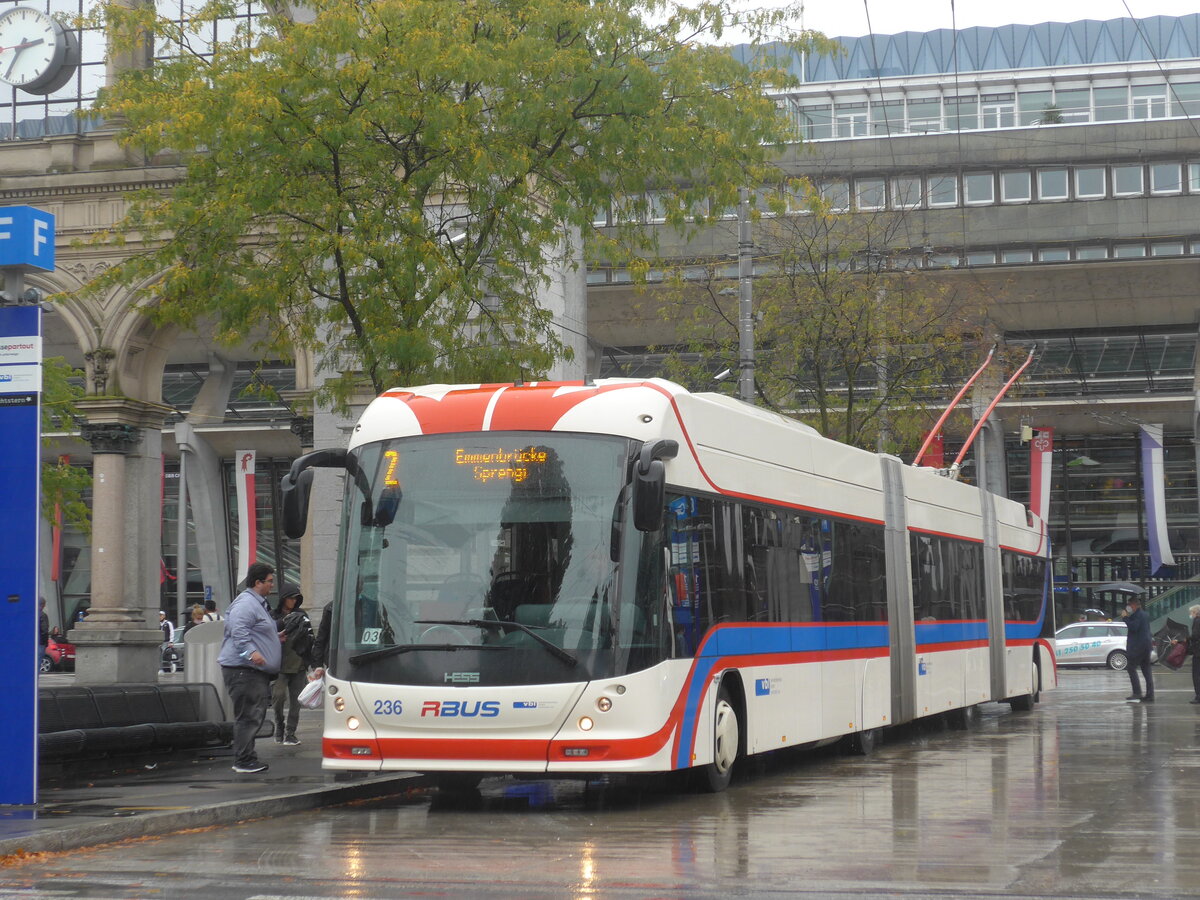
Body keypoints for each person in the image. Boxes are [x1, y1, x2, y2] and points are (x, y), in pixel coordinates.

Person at [217, 563, 282, 774]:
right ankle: (243, 760)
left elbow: (254, 632)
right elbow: (239, 632)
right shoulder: (246, 604)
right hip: (244, 670)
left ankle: (246, 757)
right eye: (269, 581)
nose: (272, 585)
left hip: (251, 671)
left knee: (252, 714)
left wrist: (275, 638)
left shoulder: (257, 604)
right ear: (258, 582)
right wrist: (251, 654)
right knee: (248, 715)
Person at [271, 583, 313, 746]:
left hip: (298, 664)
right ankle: (279, 726)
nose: (293, 601)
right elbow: (267, 635)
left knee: (296, 702)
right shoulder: (273, 616)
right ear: (283, 599)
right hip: (279, 665)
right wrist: (284, 622)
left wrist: (311, 662)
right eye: (290, 598)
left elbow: (311, 638)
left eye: (296, 598)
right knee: (278, 698)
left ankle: (290, 732)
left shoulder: (302, 615)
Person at [1121, 595, 1154, 702]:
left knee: (1131, 668)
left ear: (1134, 605)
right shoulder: (1144, 614)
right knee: (1146, 670)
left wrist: (1125, 617)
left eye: (1129, 604)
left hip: (1138, 647)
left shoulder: (1137, 615)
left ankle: (1137, 692)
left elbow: (1134, 627)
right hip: (1146, 646)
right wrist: (1128, 617)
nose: (1128, 607)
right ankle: (1150, 695)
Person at [1189, 604, 1200, 704]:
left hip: (1198, 652)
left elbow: (1195, 635)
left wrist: (1186, 638)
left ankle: (1198, 696)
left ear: (1196, 612)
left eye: (1191, 612)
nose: (1190, 614)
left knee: (1196, 675)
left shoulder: (1197, 621)